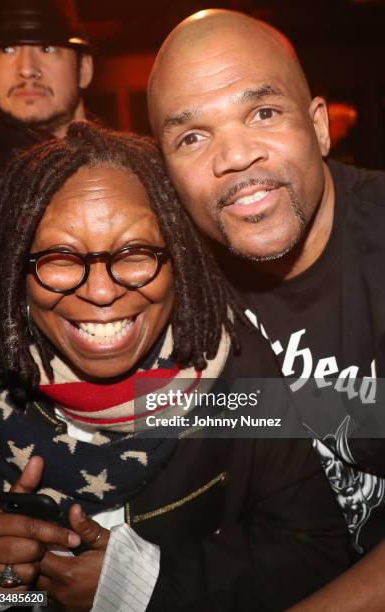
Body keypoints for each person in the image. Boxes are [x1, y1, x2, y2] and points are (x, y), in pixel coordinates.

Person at [0, 122, 354, 611]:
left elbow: (316, 548)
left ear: (178, 258)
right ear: (17, 269)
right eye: (60, 257)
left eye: (135, 253)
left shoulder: (232, 377)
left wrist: (147, 584)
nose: (101, 291)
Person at [147, 8, 385, 610]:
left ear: (320, 128)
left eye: (263, 112)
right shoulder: (155, 285)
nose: (234, 156)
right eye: (192, 137)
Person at [0, 0, 93, 313]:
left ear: (84, 69)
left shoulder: (126, 164)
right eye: (7, 50)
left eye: (46, 48)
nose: (27, 69)